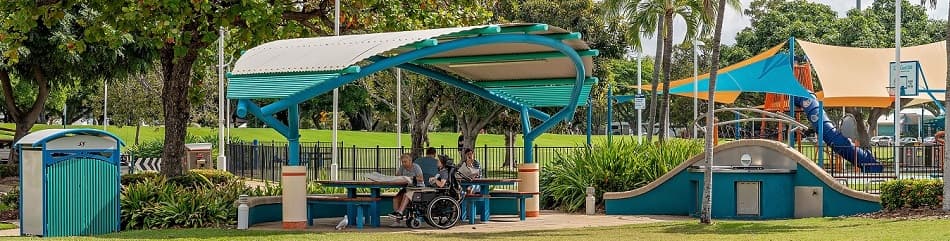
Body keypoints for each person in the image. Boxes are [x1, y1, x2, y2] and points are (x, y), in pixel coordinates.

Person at [389, 154, 423, 227]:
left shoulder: (416, 167)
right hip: (407, 187)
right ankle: (397, 221)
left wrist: (410, 178)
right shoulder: (402, 167)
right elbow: (397, 176)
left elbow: (421, 178)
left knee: (406, 195)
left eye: (405, 162)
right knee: (395, 198)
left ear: (410, 161)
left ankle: (400, 212)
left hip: (417, 188)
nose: (404, 163)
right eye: (402, 162)